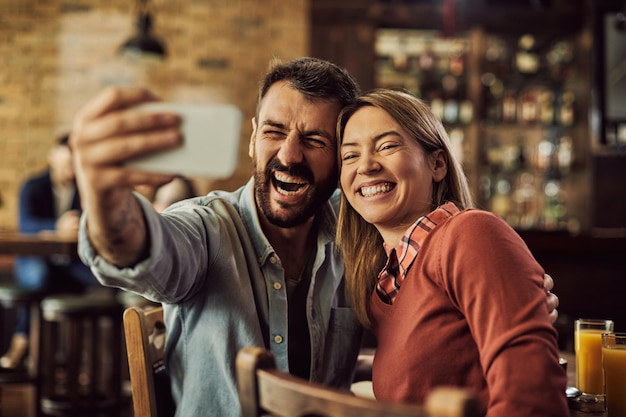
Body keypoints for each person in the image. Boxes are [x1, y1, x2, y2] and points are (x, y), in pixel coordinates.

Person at [69, 58, 559, 416]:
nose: (290, 155)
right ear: (253, 137)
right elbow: (139, 248)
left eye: (317, 141)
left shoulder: (361, 245)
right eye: (274, 132)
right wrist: (106, 200)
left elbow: (425, 334)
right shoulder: (207, 226)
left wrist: (506, 301)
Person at [335, 89, 569, 416]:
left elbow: (533, 398)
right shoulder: (388, 279)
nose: (366, 166)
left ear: (438, 164)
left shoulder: (470, 234)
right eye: (349, 156)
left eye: (387, 146)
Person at [0, 134, 99, 369]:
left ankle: (42, 350)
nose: (70, 169)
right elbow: (26, 224)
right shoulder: (33, 186)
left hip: (69, 262)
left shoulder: (84, 189)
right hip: (34, 259)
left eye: (74, 164)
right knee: (42, 278)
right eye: (66, 163)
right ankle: (34, 345)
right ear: (52, 158)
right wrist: (57, 226)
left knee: (101, 279)